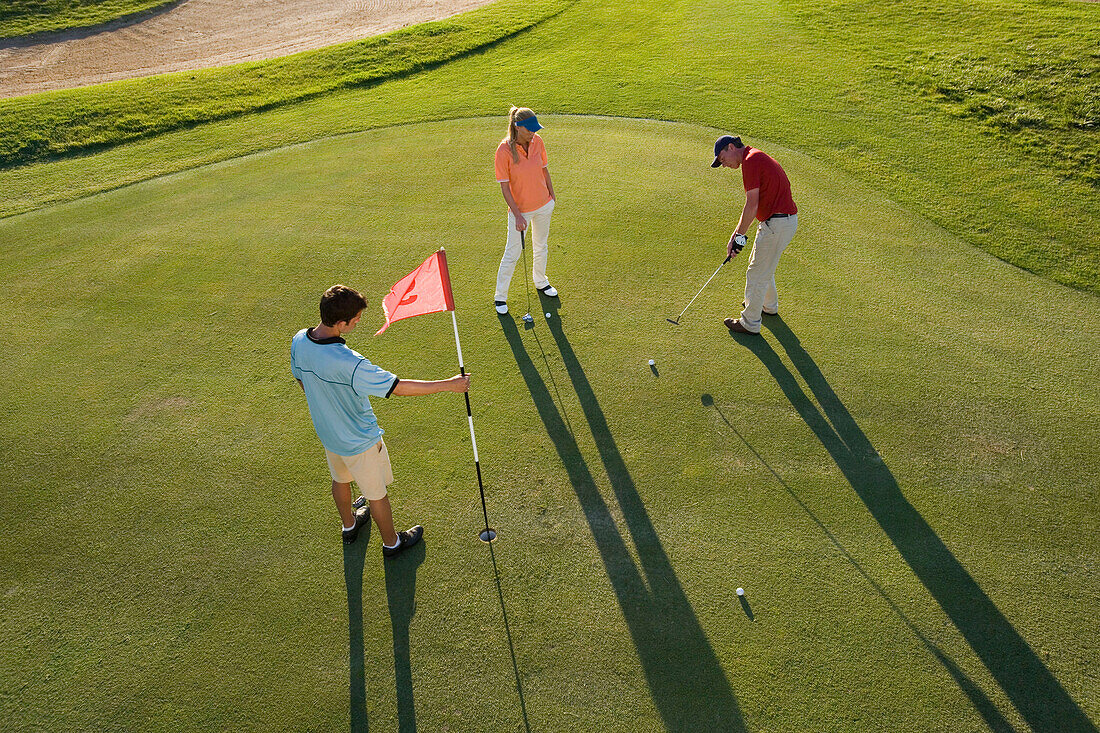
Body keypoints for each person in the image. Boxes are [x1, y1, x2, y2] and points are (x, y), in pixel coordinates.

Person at [291, 284, 471, 556]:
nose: (359, 321)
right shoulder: (350, 362)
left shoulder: (299, 341)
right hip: (360, 440)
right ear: (341, 322)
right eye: (356, 319)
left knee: (340, 479)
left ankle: (349, 526)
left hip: (329, 435)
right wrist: (449, 384)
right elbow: (398, 387)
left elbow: (300, 379)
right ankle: (392, 544)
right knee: (376, 495)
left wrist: (325, 402)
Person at [711, 135, 799, 334]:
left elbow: (752, 205)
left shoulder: (750, 162)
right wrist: (736, 236)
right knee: (760, 265)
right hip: (780, 221)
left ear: (731, 147)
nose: (724, 165)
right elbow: (754, 207)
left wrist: (738, 238)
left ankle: (750, 322)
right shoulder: (755, 157)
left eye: (723, 159)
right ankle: (768, 306)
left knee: (757, 273)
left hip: (777, 223)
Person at [493, 106, 558, 315]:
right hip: (520, 212)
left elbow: (544, 169)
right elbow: (504, 187)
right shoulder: (504, 151)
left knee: (541, 246)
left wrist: (551, 196)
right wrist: (518, 214)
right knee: (512, 254)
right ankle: (500, 297)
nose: (533, 132)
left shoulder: (538, 141)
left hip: (543, 205)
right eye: (529, 129)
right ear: (517, 126)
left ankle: (541, 281)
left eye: (534, 129)